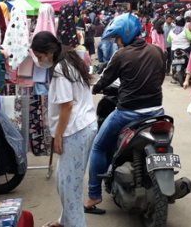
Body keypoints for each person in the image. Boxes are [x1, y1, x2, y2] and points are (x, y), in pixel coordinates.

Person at [84, 13, 166, 213]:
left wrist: (95, 88)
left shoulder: (121, 55)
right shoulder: (157, 51)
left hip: (128, 113)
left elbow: (104, 80)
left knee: (98, 147)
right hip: (157, 111)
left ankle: (94, 196)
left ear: (125, 35)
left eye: (117, 38)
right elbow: (160, 77)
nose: (117, 43)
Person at [30, 32, 97, 227]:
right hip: (83, 127)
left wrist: (57, 135)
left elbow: (66, 105)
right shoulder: (69, 59)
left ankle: (74, 223)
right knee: (64, 181)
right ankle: (65, 221)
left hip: (75, 131)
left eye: (40, 57)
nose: (40, 61)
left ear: (49, 52)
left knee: (70, 190)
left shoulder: (60, 69)